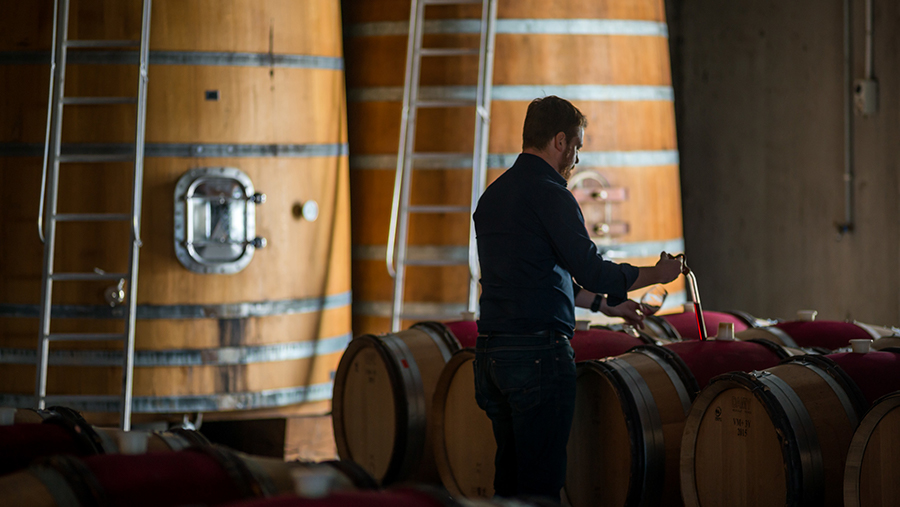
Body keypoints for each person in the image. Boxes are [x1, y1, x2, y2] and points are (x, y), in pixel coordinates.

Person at [473, 95, 684, 502]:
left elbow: (530, 278)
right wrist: (656, 274)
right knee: (540, 489)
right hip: (537, 354)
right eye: (577, 146)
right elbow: (591, 269)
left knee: (509, 483)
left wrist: (604, 305)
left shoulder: (493, 197)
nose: (577, 159)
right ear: (559, 141)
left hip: (491, 355)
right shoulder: (551, 193)